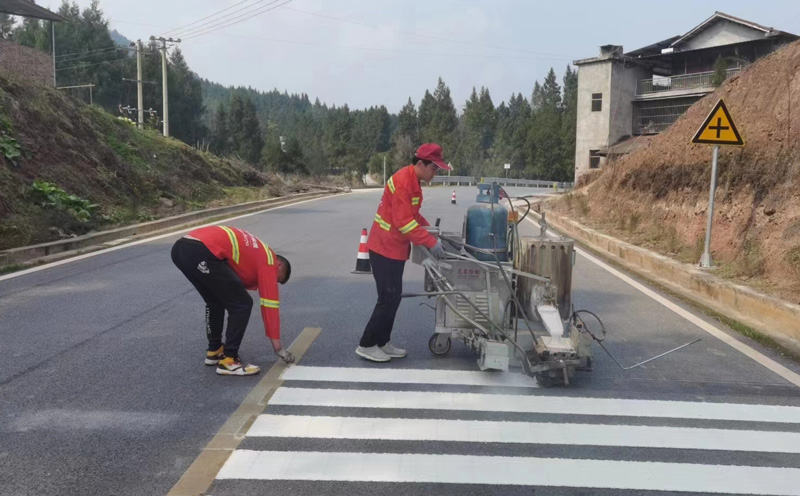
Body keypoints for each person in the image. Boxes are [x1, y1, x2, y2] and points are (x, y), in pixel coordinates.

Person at [356, 143, 451, 362]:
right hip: (384, 248)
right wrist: (430, 242)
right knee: (387, 298)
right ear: (420, 164)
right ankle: (367, 344)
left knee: (393, 297)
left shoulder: (413, 182)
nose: (435, 174)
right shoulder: (403, 181)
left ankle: (382, 342)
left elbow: (414, 216)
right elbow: (403, 222)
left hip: (394, 249)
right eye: (434, 168)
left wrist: (433, 234)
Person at [171, 225, 295, 376]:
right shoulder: (269, 260)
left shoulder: (255, 253)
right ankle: (229, 360)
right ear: (279, 264)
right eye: (277, 278)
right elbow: (270, 306)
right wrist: (278, 348)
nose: (272, 282)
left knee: (215, 301)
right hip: (202, 250)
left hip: (181, 248)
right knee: (242, 304)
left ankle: (215, 350)